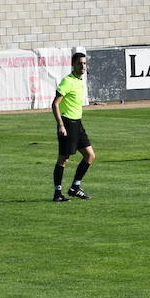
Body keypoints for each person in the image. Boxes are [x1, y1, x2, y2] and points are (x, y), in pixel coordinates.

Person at [51, 51, 94, 202]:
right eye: (79, 63)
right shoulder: (67, 81)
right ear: (73, 65)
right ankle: (57, 193)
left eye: (84, 63)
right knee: (63, 159)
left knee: (90, 156)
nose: (82, 66)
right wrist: (61, 125)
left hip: (78, 123)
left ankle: (75, 187)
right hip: (67, 123)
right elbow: (55, 104)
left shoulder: (79, 80)